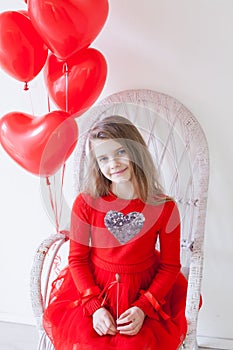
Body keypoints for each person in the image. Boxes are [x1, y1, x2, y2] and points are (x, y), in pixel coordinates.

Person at [43, 115, 188, 350]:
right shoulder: (86, 203)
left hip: (144, 292)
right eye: (103, 158)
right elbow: (77, 260)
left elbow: (170, 266)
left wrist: (144, 307)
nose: (114, 164)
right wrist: (94, 307)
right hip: (95, 291)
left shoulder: (165, 207)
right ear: (97, 164)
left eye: (121, 152)